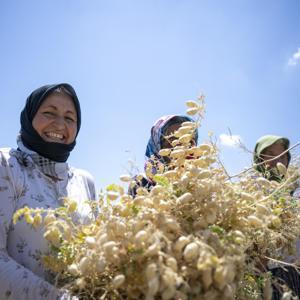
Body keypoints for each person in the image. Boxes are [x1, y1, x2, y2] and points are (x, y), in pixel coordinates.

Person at [0, 84, 96, 299]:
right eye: (49, 113)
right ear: (29, 117)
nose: (60, 124)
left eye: (70, 118)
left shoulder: (84, 181)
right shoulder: (6, 165)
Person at [253, 135, 300, 298]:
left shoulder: (293, 190)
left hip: (294, 268)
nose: (277, 160)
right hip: (267, 271)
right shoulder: (251, 186)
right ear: (259, 157)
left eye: (282, 156)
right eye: (271, 154)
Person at [129, 115, 198, 197]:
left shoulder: (205, 183)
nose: (183, 148)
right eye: (173, 141)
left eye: (189, 141)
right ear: (158, 148)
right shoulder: (141, 184)